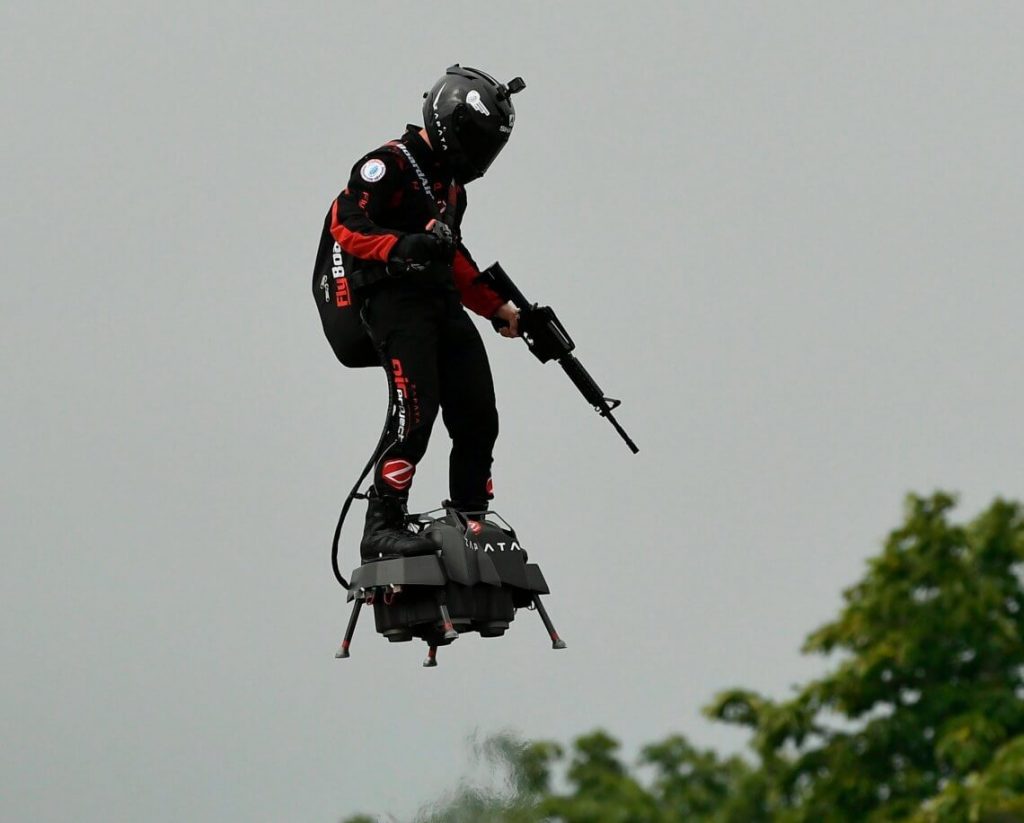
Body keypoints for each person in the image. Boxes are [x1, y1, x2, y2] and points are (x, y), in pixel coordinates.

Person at [312, 65, 525, 561]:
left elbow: (452, 257)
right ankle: (381, 525)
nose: (479, 157)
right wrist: (404, 245)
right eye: (474, 140)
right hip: (390, 300)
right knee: (416, 409)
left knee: (478, 412)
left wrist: (499, 309)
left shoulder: (452, 189)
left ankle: (470, 519)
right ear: (449, 121)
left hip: (437, 301)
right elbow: (347, 224)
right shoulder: (388, 163)